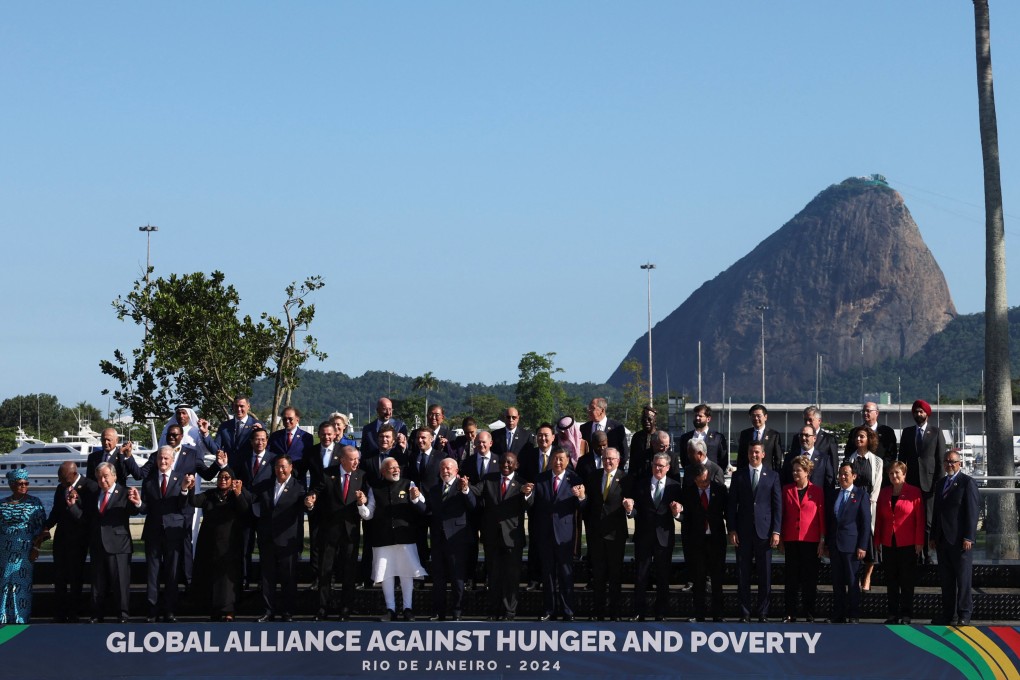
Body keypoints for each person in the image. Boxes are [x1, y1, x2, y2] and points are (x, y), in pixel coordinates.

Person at [305, 445, 373, 621]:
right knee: (325, 571)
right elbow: (316, 491)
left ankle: (346, 608)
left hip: (350, 532)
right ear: (342, 459)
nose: (356, 462)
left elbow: (365, 498)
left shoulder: (362, 475)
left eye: (357, 459)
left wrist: (363, 500)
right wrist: (311, 498)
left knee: (349, 572)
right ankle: (322, 608)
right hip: (329, 531)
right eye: (352, 459)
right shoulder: (328, 473)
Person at [69, 461, 142, 623]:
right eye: (100, 477)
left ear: (114, 476)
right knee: (97, 584)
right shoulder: (94, 495)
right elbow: (86, 519)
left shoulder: (124, 492)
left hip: (119, 546)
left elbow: (135, 511)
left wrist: (137, 502)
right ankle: (96, 615)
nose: (103, 480)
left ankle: (123, 615)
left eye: (106, 476)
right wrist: (73, 507)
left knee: (120, 584)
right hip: (97, 545)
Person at [727, 441, 782, 622]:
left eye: (757, 452)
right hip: (743, 532)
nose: (754, 455)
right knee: (743, 574)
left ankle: (763, 612)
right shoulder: (739, 476)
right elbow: (731, 505)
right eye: (751, 452)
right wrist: (732, 529)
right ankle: (745, 612)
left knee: (765, 574)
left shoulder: (772, 476)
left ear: (763, 454)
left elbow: (777, 506)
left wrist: (776, 531)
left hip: (764, 533)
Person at [188, 466, 252, 621]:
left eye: (226, 478)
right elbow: (194, 501)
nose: (223, 480)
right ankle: (214, 609)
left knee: (228, 581)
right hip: (210, 543)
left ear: (232, 480)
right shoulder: (210, 495)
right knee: (212, 578)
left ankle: (229, 611)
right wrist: (189, 488)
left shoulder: (236, 495)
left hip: (230, 543)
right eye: (220, 478)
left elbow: (245, 510)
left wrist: (238, 493)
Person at [476, 452, 534, 621]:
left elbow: (528, 504)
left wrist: (526, 493)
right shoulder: (489, 479)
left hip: (512, 538)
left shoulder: (523, 483)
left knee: (512, 577)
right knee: (493, 576)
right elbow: (476, 491)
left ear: (516, 465)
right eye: (502, 462)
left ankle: (509, 612)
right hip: (492, 537)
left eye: (509, 463)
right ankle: (493, 611)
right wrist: (464, 487)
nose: (505, 465)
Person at [626, 451, 683, 621]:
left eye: (661, 465)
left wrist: (677, 513)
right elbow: (635, 510)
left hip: (664, 538)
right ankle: (639, 612)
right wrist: (629, 510)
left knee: (663, 576)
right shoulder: (641, 484)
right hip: (644, 537)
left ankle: (661, 612)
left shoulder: (674, 486)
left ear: (667, 467)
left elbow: (681, 513)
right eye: (655, 465)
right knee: (641, 576)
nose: (657, 468)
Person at [370, 457, 427, 621]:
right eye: (391, 468)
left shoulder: (409, 484)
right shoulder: (375, 488)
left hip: (405, 536)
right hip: (383, 538)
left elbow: (422, 507)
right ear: (383, 472)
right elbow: (368, 514)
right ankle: (391, 609)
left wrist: (416, 498)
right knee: (386, 574)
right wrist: (361, 504)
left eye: (397, 467)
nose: (395, 470)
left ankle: (407, 608)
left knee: (406, 572)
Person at [533, 449, 586, 621]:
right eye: (555, 459)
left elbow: (583, 507)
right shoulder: (540, 479)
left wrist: (581, 497)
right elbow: (532, 504)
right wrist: (527, 494)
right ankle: (549, 610)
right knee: (548, 575)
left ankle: (568, 610)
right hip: (545, 534)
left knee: (565, 574)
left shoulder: (575, 479)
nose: (558, 462)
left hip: (565, 535)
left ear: (568, 460)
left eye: (561, 459)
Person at [252, 454, 306, 622]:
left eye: (283, 467)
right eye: (277, 467)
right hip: (267, 539)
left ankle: (287, 612)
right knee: (267, 578)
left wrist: (309, 504)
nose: (280, 470)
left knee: (288, 578)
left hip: (288, 541)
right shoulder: (266, 485)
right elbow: (251, 500)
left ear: (290, 468)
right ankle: (268, 611)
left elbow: (306, 505)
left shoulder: (298, 487)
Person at [139, 446, 189, 622]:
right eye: (161, 458)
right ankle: (152, 611)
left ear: (172, 460)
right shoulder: (149, 481)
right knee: (152, 574)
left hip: (173, 533)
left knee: (171, 573)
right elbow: (145, 507)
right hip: (153, 532)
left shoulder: (180, 479)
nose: (163, 462)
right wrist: (138, 504)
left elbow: (183, 505)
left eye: (167, 459)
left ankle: (170, 611)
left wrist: (184, 490)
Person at [930, 450, 979, 625]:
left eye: (952, 462)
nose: (949, 465)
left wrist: (969, 537)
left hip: (960, 541)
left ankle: (964, 614)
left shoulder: (967, 483)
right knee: (947, 581)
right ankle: (948, 614)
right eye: (946, 462)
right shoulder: (941, 483)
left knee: (963, 580)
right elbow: (937, 512)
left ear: (960, 463)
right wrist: (934, 535)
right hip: (943, 540)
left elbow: (972, 512)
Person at [424, 458, 475, 621]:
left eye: (448, 468)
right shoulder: (434, 489)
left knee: (457, 578)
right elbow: (428, 511)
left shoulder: (463, 486)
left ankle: (457, 610)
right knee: (438, 578)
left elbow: (473, 505)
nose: (445, 471)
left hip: (457, 540)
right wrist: (416, 499)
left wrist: (466, 490)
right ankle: (439, 611)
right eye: (442, 468)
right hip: (438, 540)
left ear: (456, 470)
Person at [44, 461, 96, 622]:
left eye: (63, 478)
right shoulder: (61, 488)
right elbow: (56, 511)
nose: (60, 481)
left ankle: (74, 613)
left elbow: (89, 517)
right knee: (59, 577)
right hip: (61, 538)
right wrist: (46, 527)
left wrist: (74, 507)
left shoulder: (90, 487)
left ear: (73, 474)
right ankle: (59, 613)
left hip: (79, 539)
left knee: (75, 577)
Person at [874, 461, 924, 624]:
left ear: (904, 474)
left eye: (897, 473)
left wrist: (919, 542)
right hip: (888, 542)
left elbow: (919, 519)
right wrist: (877, 540)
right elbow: (879, 519)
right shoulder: (884, 493)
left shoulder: (914, 492)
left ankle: (906, 613)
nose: (894, 476)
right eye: (891, 473)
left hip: (907, 542)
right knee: (891, 580)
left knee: (907, 580)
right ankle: (893, 613)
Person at [583, 446, 628, 621]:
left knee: (615, 576)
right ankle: (598, 611)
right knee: (598, 575)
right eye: (605, 459)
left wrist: (630, 509)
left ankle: (615, 612)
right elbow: (589, 504)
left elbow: (631, 505)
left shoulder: (625, 478)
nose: (608, 462)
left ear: (618, 460)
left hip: (615, 534)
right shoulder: (594, 477)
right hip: (596, 534)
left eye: (611, 459)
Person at [899, 399, 947, 564]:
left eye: (921, 411)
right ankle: (914, 553)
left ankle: (927, 554)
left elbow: (941, 461)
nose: (918, 414)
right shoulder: (907, 432)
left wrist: (938, 484)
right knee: (910, 519)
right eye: (916, 412)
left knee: (928, 521)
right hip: (911, 483)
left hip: (930, 484)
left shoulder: (936, 432)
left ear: (927, 413)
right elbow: (901, 460)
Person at [679, 463, 728, 622]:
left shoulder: (719, 489)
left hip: (716, 540)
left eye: (707, 481)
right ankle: (699, 613)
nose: (704, 484)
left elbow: (727, 512)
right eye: (701, 482)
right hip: (697, 541)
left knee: (717, 579)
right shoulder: (688, 491)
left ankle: (718, 614)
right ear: (695, 480)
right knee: (698, 579)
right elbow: (685, 519)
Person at [779, 455, 825, 623]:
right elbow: (782, 514)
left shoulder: (817, 491)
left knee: (809, 578)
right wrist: (782, 537)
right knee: (791, 578)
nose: (795, 473)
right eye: (793, 470)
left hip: (810, 540)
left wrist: (822, 539)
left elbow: (821, 516)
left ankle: (809, 612)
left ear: (807, 472)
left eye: (798, 470)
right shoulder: (787, 490)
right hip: (791, 539)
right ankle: (790, 612)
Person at [825, 462, 872, 624]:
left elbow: (866, 523)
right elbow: (829, 521)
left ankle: (853, 614)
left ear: (854, 476)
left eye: (846, 473)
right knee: (837, 582)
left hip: (852, 547)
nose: (843, 476)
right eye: (840, 473)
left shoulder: (861, 495)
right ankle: (838, 614)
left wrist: (863, 546)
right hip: (835, 545)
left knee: (852, 581)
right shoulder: (833, 494)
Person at [0, 470, 47, 623]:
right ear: (12, 485)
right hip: (4, 553)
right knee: (4, 585)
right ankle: (4, 619)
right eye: (20, 484)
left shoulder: (34, 503)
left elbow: (42, 530)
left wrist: (36, 549)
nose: (24, 486)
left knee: (21, 586)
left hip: (25, 552)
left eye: (26, 483)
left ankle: (21, 620)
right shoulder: (2, 503)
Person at [845, 425, 883, 591]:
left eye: (862, 436)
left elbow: (878, 485)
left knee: (869, 540)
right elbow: (846, 482)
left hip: (869, 504)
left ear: (869, 439)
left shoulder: (877, 461)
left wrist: (870, 502)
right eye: (856, 437)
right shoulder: (849, 460)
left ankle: (867, 575)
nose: (858, 439)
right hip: (853, 503)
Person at [462, 430, 499, 589]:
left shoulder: (499, 461)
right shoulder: (468, 462)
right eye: (478, 442)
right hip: (472, 509)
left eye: (484, 442)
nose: (481, 445)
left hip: (491, 511)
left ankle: (490, 577)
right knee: (470, 545)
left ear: (490, 443)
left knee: (490, 546)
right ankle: (470, 578)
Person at [200, 395, 264, 464]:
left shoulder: (257, 426)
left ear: (248, 407)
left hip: (249, 469)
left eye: (242, 406)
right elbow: (215, 449)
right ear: (233, 407)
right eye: (236, 406)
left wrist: (259, 434)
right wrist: (205, 433)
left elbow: (263, 449)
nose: (239, 409)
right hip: (229, 470)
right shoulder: (224, 426)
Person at [846, 401, 898, 472]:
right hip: (859, 473)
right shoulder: (855, 432)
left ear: (876, 413)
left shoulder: (887, 432)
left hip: (882, 474)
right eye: (863, 411)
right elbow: (849, 452)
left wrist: (880, 467)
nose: (865, 413)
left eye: (868, 411)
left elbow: (891, 455)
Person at [580, 397, 630, 470]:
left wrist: (616, 470)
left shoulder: (617, 428)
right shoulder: (584, 428)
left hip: (612, 472)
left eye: (592, 408)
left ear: (602, 410)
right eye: (588, 408)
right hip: (590, 473)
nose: (589, 411)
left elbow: (624, 453)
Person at [678, 403, 729, 470]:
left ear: (708, 419)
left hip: (711, 478)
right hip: (691, 477)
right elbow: (683, 460)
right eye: (696, 415)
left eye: (700, 416)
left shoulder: (718, 438)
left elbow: (723, 461)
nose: (697, 418)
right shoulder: (685, 438)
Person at [736, 404, 783, 471]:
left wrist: (777, 475)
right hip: (748, 473)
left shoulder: (774, 435)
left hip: (767, 473)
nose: (756, 418)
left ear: (765, 417)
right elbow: (741, 457)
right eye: (753, 416)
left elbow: (777, 458)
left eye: (758, 416)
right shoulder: (744, 434)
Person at [269, 406, 315, 473]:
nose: (287, 421)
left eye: (290, 419)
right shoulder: (275, 436)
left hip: (298, 477)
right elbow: (269, 455)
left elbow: (308, 458)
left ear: (297, 419)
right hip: (278, 476)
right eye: (285, 419)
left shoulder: (306, 437)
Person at [627, 405, 659, 478]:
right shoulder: (637, 437)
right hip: (639, 477)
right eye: (644, 419)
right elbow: (632, 460)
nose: (646, 422)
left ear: (655, 420)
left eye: (649, 419)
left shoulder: (659, 437)